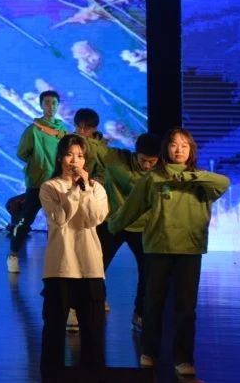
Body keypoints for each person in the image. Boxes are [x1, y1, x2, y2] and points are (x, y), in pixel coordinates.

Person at [108, 127, 229, 378]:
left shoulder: (201, 179)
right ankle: (149, 351)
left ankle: (183, 358)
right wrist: (111, 227)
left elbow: (224, 183)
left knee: (186, 308)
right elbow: (132, 208)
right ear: (166, 149)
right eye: (174, 145)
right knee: (153, 304)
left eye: (184, 145)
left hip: (189, 249)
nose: (179, 150)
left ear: (191, 150)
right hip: (158, 247)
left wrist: (188, 177)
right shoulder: (153, 178)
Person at [39, 134, 109, 381]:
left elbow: (93, 218)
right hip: (60, 267)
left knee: (93, 333)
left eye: (80, 156)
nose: (74, 161)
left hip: (90, 267)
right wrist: (74, 191)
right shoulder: (50, 188)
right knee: (54, 331)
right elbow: (59, 219)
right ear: (60, 158)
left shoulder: (96, 188)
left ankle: (93, 376)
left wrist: (85, 188)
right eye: (69, 155)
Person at [100, 132, 159, 332]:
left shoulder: (161, 172)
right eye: (143, 160)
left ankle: (139, 314)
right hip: (113, 222)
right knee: (96, 266)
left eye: (152, 161)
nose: (147, 165)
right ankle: (97, 301)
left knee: (148, 271)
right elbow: (93, 148)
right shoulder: (116, 159)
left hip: (142, 226)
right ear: (136, 154)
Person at [8, 90, 66, 274]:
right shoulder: (33, 129)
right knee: (26, 220)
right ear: (41, 105)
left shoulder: (63, 130)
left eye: (54, 103)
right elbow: (22, 153)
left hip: (57, 183)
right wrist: (38, 164)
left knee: (56, 222)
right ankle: (13, 255)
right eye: (47, 102)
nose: (51, 106)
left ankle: (56, 259)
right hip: (37, 183)